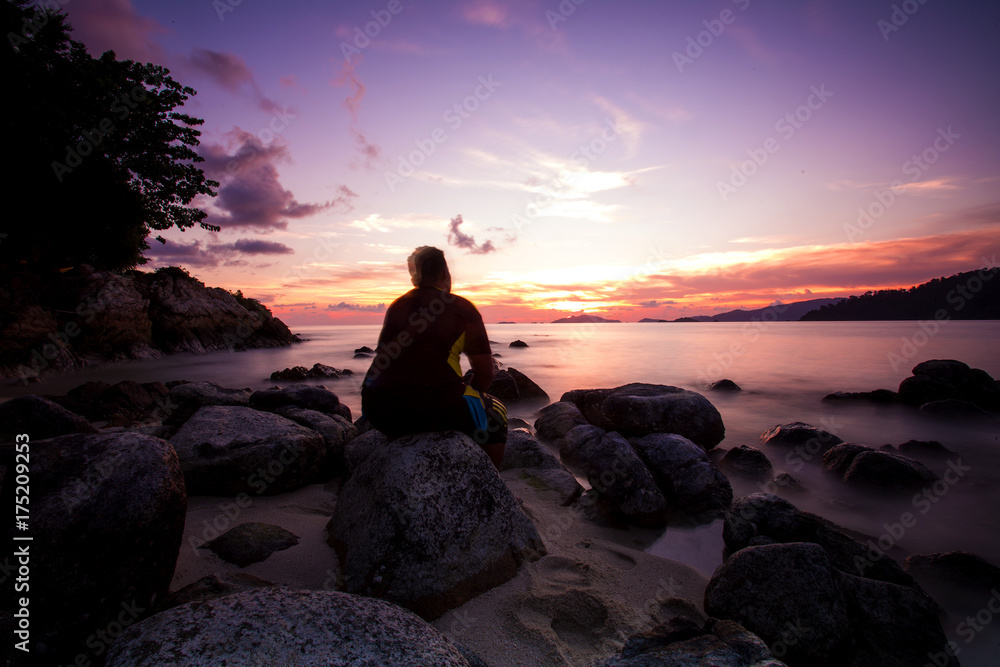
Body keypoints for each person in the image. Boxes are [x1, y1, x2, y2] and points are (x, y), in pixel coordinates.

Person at [361, 246, 508, 468]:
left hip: (377, 408)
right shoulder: (461, 307)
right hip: (434, 407)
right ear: (444, 273)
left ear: (415, 278)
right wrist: (468, 397)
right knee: (496, 411)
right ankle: (492, 485)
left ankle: (399, 448)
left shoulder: (397, 306)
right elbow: (486, 373)